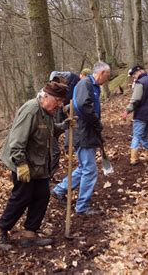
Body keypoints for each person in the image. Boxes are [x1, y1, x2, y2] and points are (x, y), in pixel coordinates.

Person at [0, 81, 70, 250]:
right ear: (46, 96)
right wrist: (21, 163)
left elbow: (47, 131)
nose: (59, 105)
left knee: (42, 195)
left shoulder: (47, 111)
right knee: (22, 197)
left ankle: (29, 234)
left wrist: (63, 127)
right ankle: (0, 230)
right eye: (58, 101)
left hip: (39, 164)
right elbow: (17, 140)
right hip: (23, 162)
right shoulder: (31, 110)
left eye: (61, 102)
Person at [51, 61, 111, 216]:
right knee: (90, 170)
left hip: (88, 132)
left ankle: (60, 189)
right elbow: (82, 105)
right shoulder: (85, 84)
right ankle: (82, 207)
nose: (108, 78)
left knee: (85, 168)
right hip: (83, 133)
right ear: (101, 73)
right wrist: (96, 122)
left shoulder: (93, 86)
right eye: (108, 75)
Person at [122, 65, 148, 165]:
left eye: (134, 74)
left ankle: (133, 159)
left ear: (140, 71)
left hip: (142, 114)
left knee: (136, 136)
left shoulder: (140, 82)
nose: (134, 76)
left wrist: (127, 111)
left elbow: (135, 99)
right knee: (144, 135)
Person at [49, 71, 80, 175]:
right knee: (54, 151)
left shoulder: (75, 81)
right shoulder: (47, 97)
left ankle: (47, 176)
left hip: (66, 107)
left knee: (55, 151)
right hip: (47, 127)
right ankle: (47, 177)